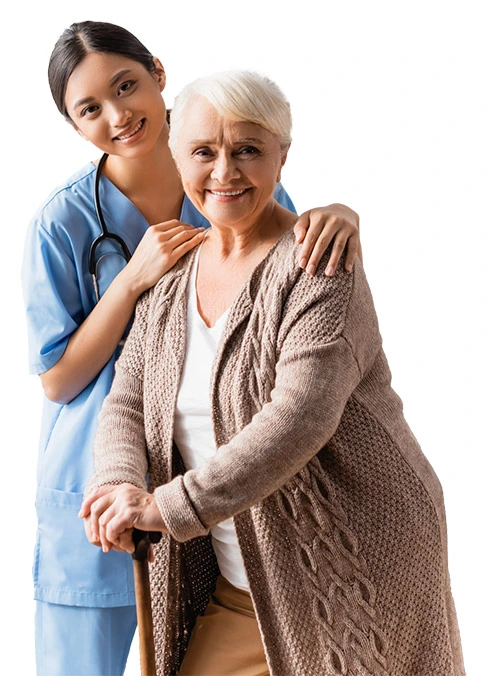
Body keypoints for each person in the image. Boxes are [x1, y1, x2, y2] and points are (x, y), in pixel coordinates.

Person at [81, 70, 465, 676]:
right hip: (242, 579)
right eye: (204, 152)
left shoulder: (319, 263)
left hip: (354, 558)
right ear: (178, 156)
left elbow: (298, 418)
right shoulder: (172, 275)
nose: (225, 172)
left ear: (282, 155)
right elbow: (127, 401)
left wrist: (170, 507)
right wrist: (115, 483)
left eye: (249, 150)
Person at [21, 21, 363, 676]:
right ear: (72, 123)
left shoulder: (224, 175)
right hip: (98, 481)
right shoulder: (62, 222)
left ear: (156, 70)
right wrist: (130, 280)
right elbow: (58, 379)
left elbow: (300, 277)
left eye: (127, 85)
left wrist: (343, 214)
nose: (119, 115)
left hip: (214, 480)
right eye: (89, 108)